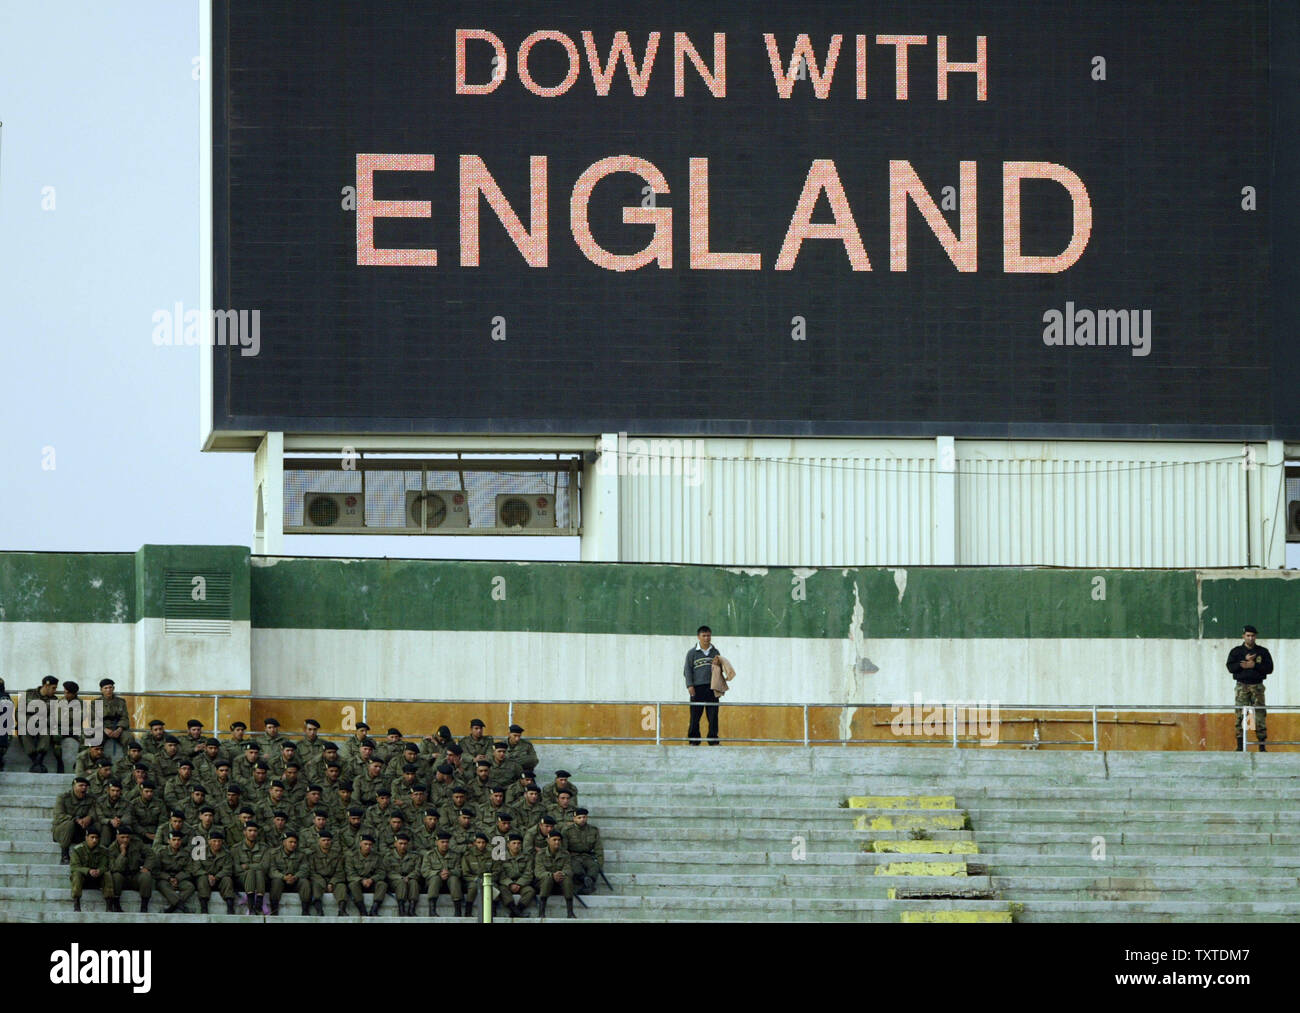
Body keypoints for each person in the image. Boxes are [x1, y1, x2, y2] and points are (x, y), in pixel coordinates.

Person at [1228, 624, 1273, 752]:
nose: (1250, 638)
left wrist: (1254, 665)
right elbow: (1230, 668)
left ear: (1256, 636)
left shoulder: (1262, 652)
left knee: (1259, 716)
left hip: (1257, 687)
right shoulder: (1236, 652)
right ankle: (1240, 745)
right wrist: (1243, 664)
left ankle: (1262, 746)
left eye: (1253, 636)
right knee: (1240, 716)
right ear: (1243, 636)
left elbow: (1269, 669)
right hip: (1242, 687)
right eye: (1248, 635)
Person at [684, 624, 721, 745]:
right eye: (704, 635)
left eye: (708, 635)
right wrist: (690, 685)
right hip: (697, 688)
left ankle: (713, 739)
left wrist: (719, 687)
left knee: (713, 715)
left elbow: (719, 670)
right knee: (695, 715)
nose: (706, 638)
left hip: (712, 688)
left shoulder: (715, 652)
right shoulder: (692, 653)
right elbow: (687, 670)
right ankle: (694, 739)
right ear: (698, 637)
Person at [107, 825, 154, 913]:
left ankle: (144, 906)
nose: (125, 840)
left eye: (127, 837)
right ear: (117, 837)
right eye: (122, 837)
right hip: (122, 878)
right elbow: (115, 868)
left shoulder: (137, 843)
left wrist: (146, 867)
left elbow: (150, 854)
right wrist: (123, 854)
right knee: (116, 876)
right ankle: (116, 905)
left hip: (135, 875)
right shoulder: (111, 849)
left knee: (146, 876)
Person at [69, 828, 118, 912]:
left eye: (96, 838)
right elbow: (74, 867)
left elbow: (106, 865)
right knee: (76, 874)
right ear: (86, 837)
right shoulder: (78, 849)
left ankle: (109, 904)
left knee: (107, 874)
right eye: (92, 837)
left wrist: (99, 871)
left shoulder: (103, 850)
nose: (94, 840)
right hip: (84, 878)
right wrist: (88, 871)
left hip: (98, 878)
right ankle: (76, 903)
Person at [52, 776, 97, 864]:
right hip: (62, 831)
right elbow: (59, 815)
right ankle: (64, 854)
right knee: (69, 824)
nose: (83, 788)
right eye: (81, 785)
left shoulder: (90, 799)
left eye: (85, 786)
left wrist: (89, 817)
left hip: (80, 830)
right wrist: (75, 820)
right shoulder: (63, 798)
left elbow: (94, 812)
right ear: (74, 786)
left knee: (97, 825)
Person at [534, 829, 576, 919]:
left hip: (560, 884)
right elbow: (538, 872)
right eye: (554, 840)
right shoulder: (540, 854)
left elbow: (569, 870)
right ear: (548, 840)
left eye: (559, 840)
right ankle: (541, 912)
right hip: (543, 885)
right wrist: (552, 875)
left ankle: (570, 912)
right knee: (547, 878)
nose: (557, 842)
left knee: (567, 878)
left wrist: (561, 873)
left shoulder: (565, 854)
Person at [21, 676, 59, 772]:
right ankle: (36, 761)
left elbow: (53, 716)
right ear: (46, 685)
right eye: (53, 688)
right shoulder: (29, 694)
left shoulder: (54, 699)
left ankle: (38, 761)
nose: (55, 691)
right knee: (24, 732)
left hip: (43, 724)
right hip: (27, 722)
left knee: (46, 732)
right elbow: (19, 711)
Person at [196, 829, 237, 914]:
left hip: (219, 880)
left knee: (227, 880)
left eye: (219, 841)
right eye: (214, 841)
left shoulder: (226, 854)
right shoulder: (200, 852)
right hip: (206, 879)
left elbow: (228, 869)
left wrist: (216, 877)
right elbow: (196, 868)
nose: (217, 843)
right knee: (202, 879)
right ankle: (204, 908)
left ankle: (230, 907)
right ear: (209, 842)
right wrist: (208, 876)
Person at [563, 808, 603, 894]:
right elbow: (563, 849)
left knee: (594, 867)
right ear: (574, 819)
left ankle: (588, 882)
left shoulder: (593, 830)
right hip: (573, 856)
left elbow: (598, 848)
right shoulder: (567, 831)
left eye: (584, 817)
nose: (582, 820)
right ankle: (585, 882)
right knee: (576, 869)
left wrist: (600, 863)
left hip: (587, 856)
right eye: (579, 817)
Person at [306, 829, 346, 916]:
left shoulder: (337, 855)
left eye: (328, 840)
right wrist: (323, 883)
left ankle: (342, 910)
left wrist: (332, 883)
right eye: (323, 840)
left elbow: (340, 872)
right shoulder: (312, 855)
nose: (326, 842)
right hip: (318, 880)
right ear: (319, 841)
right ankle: (319, 911)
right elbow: (311, 872)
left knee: (341, 886)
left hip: (333, 880)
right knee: (315, 885)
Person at [422, 830, 462, 916]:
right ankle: (432, 910)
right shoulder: (429, 855)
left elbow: (459, 871)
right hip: (433, 884)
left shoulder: (455, 855)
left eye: (447, 842)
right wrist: (439, 873)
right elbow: (425, 871)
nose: (445, 844)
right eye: (442, 842)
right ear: (436, 842)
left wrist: (449, 872)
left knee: (454, 879)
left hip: (450, 884)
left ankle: (458, 910)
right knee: (435, 879)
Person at [495, 832, 536, 918]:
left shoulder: (527, 857)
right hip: (507, 884)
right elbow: (500, 874)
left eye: (519, 843)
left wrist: (519, 884)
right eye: (514, 843)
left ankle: (517, 910)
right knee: (502, 890)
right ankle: (513, 909)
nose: (516, 846)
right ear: (508, 845)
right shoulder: (501, 857)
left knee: (530, 891)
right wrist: (510, 884)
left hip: (522, 884)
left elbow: (529, 873)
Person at [98, 678, 129, 763]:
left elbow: (125, 717)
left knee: (128, 738)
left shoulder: (121, 702)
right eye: (106, 688)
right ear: (101, 690)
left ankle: (128, 762)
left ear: (113, 688)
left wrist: (119, 729)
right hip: (102, 728)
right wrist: (104, 729)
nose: (108, 690)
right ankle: (98, 762)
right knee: (95, 738)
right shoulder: (96, 702)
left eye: (110, 687)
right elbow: (93, 719)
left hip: (117, 727)